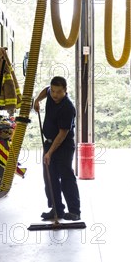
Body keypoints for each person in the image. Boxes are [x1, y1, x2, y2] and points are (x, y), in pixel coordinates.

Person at [33, 76, 81, 221]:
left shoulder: (67, 107)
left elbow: (62, 134)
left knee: (66, 177)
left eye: (58, 92)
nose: (54, 95)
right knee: (50, 178)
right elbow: (45, 91)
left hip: (63, 146)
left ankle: (74, 211)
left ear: (65, 91)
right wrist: (37, 100)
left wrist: (49, 153)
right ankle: (57, 209)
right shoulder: (50, 94)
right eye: (53, 91)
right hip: (49, 143)